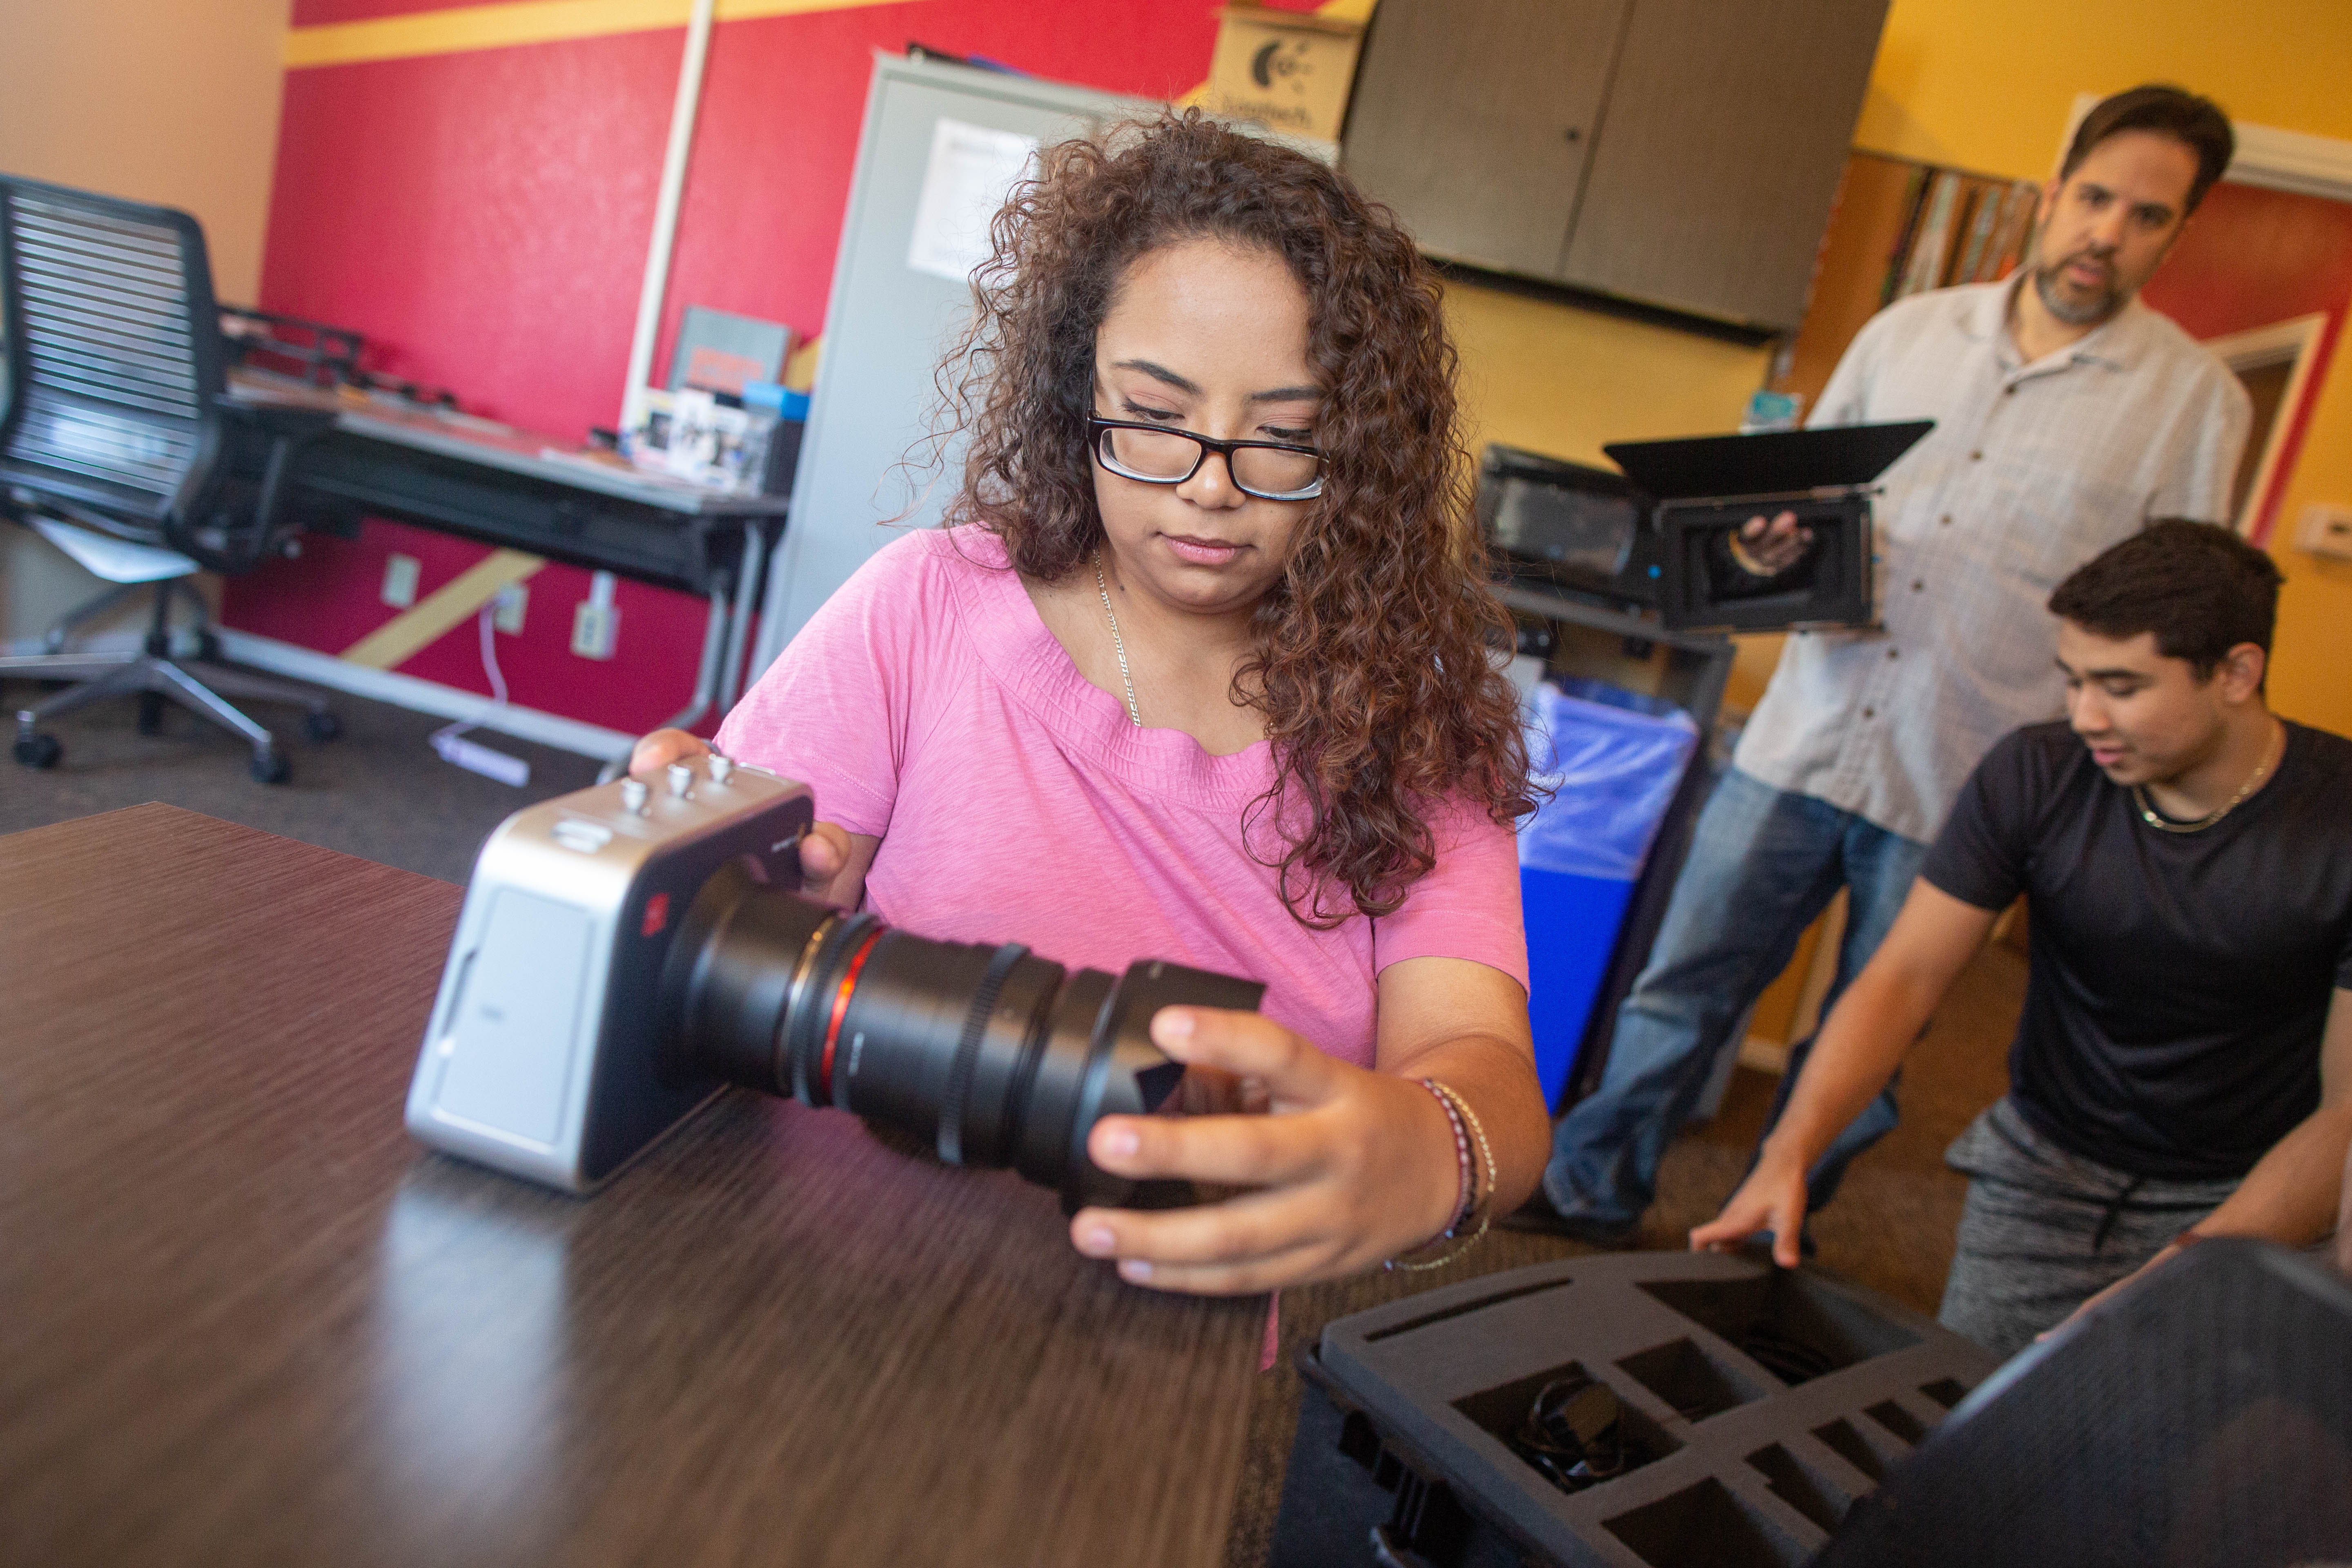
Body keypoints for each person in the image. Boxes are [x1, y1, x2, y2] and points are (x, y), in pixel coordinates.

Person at [632, 113, 1550, 1294]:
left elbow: (1486, 1071)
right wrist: (713, 868)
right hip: (824, 1261)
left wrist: (1433, 1148)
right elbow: (756, 890)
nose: (1212, 489)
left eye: (1285, 439)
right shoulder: (929, 607)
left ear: (1362, 451)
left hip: (1174, 1335)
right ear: (1079, 396)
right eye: (1156, 420)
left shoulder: (1412, 733)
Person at [1523, 84, 2254, 1242]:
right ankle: (1586, 1193)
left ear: (2180, 232)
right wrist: (1773, 542)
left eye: (2148, 217)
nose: (2107, 234)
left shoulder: (2195, 404)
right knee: (1681, 984)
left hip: (1969, 781)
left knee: (1872, 1039)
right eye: (2096, 198)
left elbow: (2175, 608)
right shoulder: (1907, 332)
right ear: (2054, 192)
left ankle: (1778, 1231)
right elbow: (1804, 507)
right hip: (1806, 731)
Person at [1692, 521, 2352, 1357]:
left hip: (2245, 1191)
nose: (2084, 716)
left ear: (2237, 673)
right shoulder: (2035, 773)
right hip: (2044, 1165)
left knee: (2164, 1457)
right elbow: (1904, 977)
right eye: (2073, 681)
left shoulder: (2339, 825)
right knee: (1982, 1424)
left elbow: (2347, 1114)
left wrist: (2187, 1267)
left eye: (2121, 686)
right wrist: (1788, 1152)